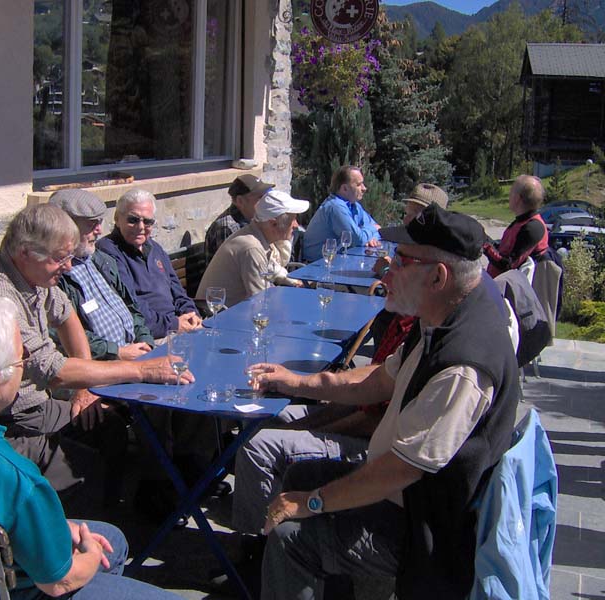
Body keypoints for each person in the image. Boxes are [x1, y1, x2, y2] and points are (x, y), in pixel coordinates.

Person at [255, 204, 521, 600]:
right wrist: (296, 382)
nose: (386, 271)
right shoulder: (441, 316)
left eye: (401, 261)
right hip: (404, 493)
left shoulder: (463, 365)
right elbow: (378, 380)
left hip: (423, 530)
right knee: (298, 476)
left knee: (292, 535)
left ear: (438, 276)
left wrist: (311, 503)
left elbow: (400, 470)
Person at [0, 289, 182, 600]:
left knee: (113, 537)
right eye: (21, 357)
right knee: (106, 550)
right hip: (13, 592)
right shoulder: (16, 478)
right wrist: (89, 555)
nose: (25, 362)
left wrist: (51, 526)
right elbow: (59, 582)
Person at [0, 204, 192, 492]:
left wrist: (84, 389)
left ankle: (122, 503)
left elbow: (66, 314)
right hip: (4, 418)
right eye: (61, 258)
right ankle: (94, 512)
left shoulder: (33, 272)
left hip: (34, 404)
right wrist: (142, 370)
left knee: (108, 426)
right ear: (25, 252)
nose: (69, 267)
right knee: (85, 460)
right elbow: (52, 371)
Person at [50, 189, 154, 361]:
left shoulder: (102, 260)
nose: (99, 230)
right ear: (67, 227)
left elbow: (131, 307)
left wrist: (145, 340)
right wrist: (117, 352)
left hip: (134, 352)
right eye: (91, 224)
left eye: (99, 222)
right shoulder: (55, 274)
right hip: (102, 364)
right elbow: (61, 334)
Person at [97, 189, 202, 339]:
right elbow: (131, 305)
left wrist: (191, 314)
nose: (141, 227)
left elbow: (177, 290)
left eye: (147, 222)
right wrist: (173, 324)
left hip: (178, 325)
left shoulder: (154, 248)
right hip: (152, 335)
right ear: (117, 219)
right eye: (133, 220)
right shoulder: (108, 251)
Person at [196, 190, 308, 307]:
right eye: (292, 220)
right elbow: (261, 301)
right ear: (273, 224)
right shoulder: (252, 247)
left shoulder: (257, 237)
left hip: (231, 310)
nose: (296, 225)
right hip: (219, 314)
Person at [302, 165, 380, 261]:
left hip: (338, 260)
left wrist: (372, 239)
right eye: (359, 184)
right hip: (316, 264)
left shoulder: (354, 205)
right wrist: (372, 229)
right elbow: (356, 239)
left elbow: (378, 228)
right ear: (344, 188)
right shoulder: (335, 207)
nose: (364, 188)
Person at [484, 174, 549, 278]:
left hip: (510, 286)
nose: (509, 196)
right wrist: (484, 239)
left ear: (517, 198)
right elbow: (503, 250)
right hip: (499, 282)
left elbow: (508, 265)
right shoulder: (521, 221)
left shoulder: (533, 227)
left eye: (511, 192)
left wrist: (485, 245)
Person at [204, 174, 275, 264]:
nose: (265, 202)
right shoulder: (227, 227)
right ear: (240, 201)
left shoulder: (253, 219)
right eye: (260, 198)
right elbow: (233, 266)